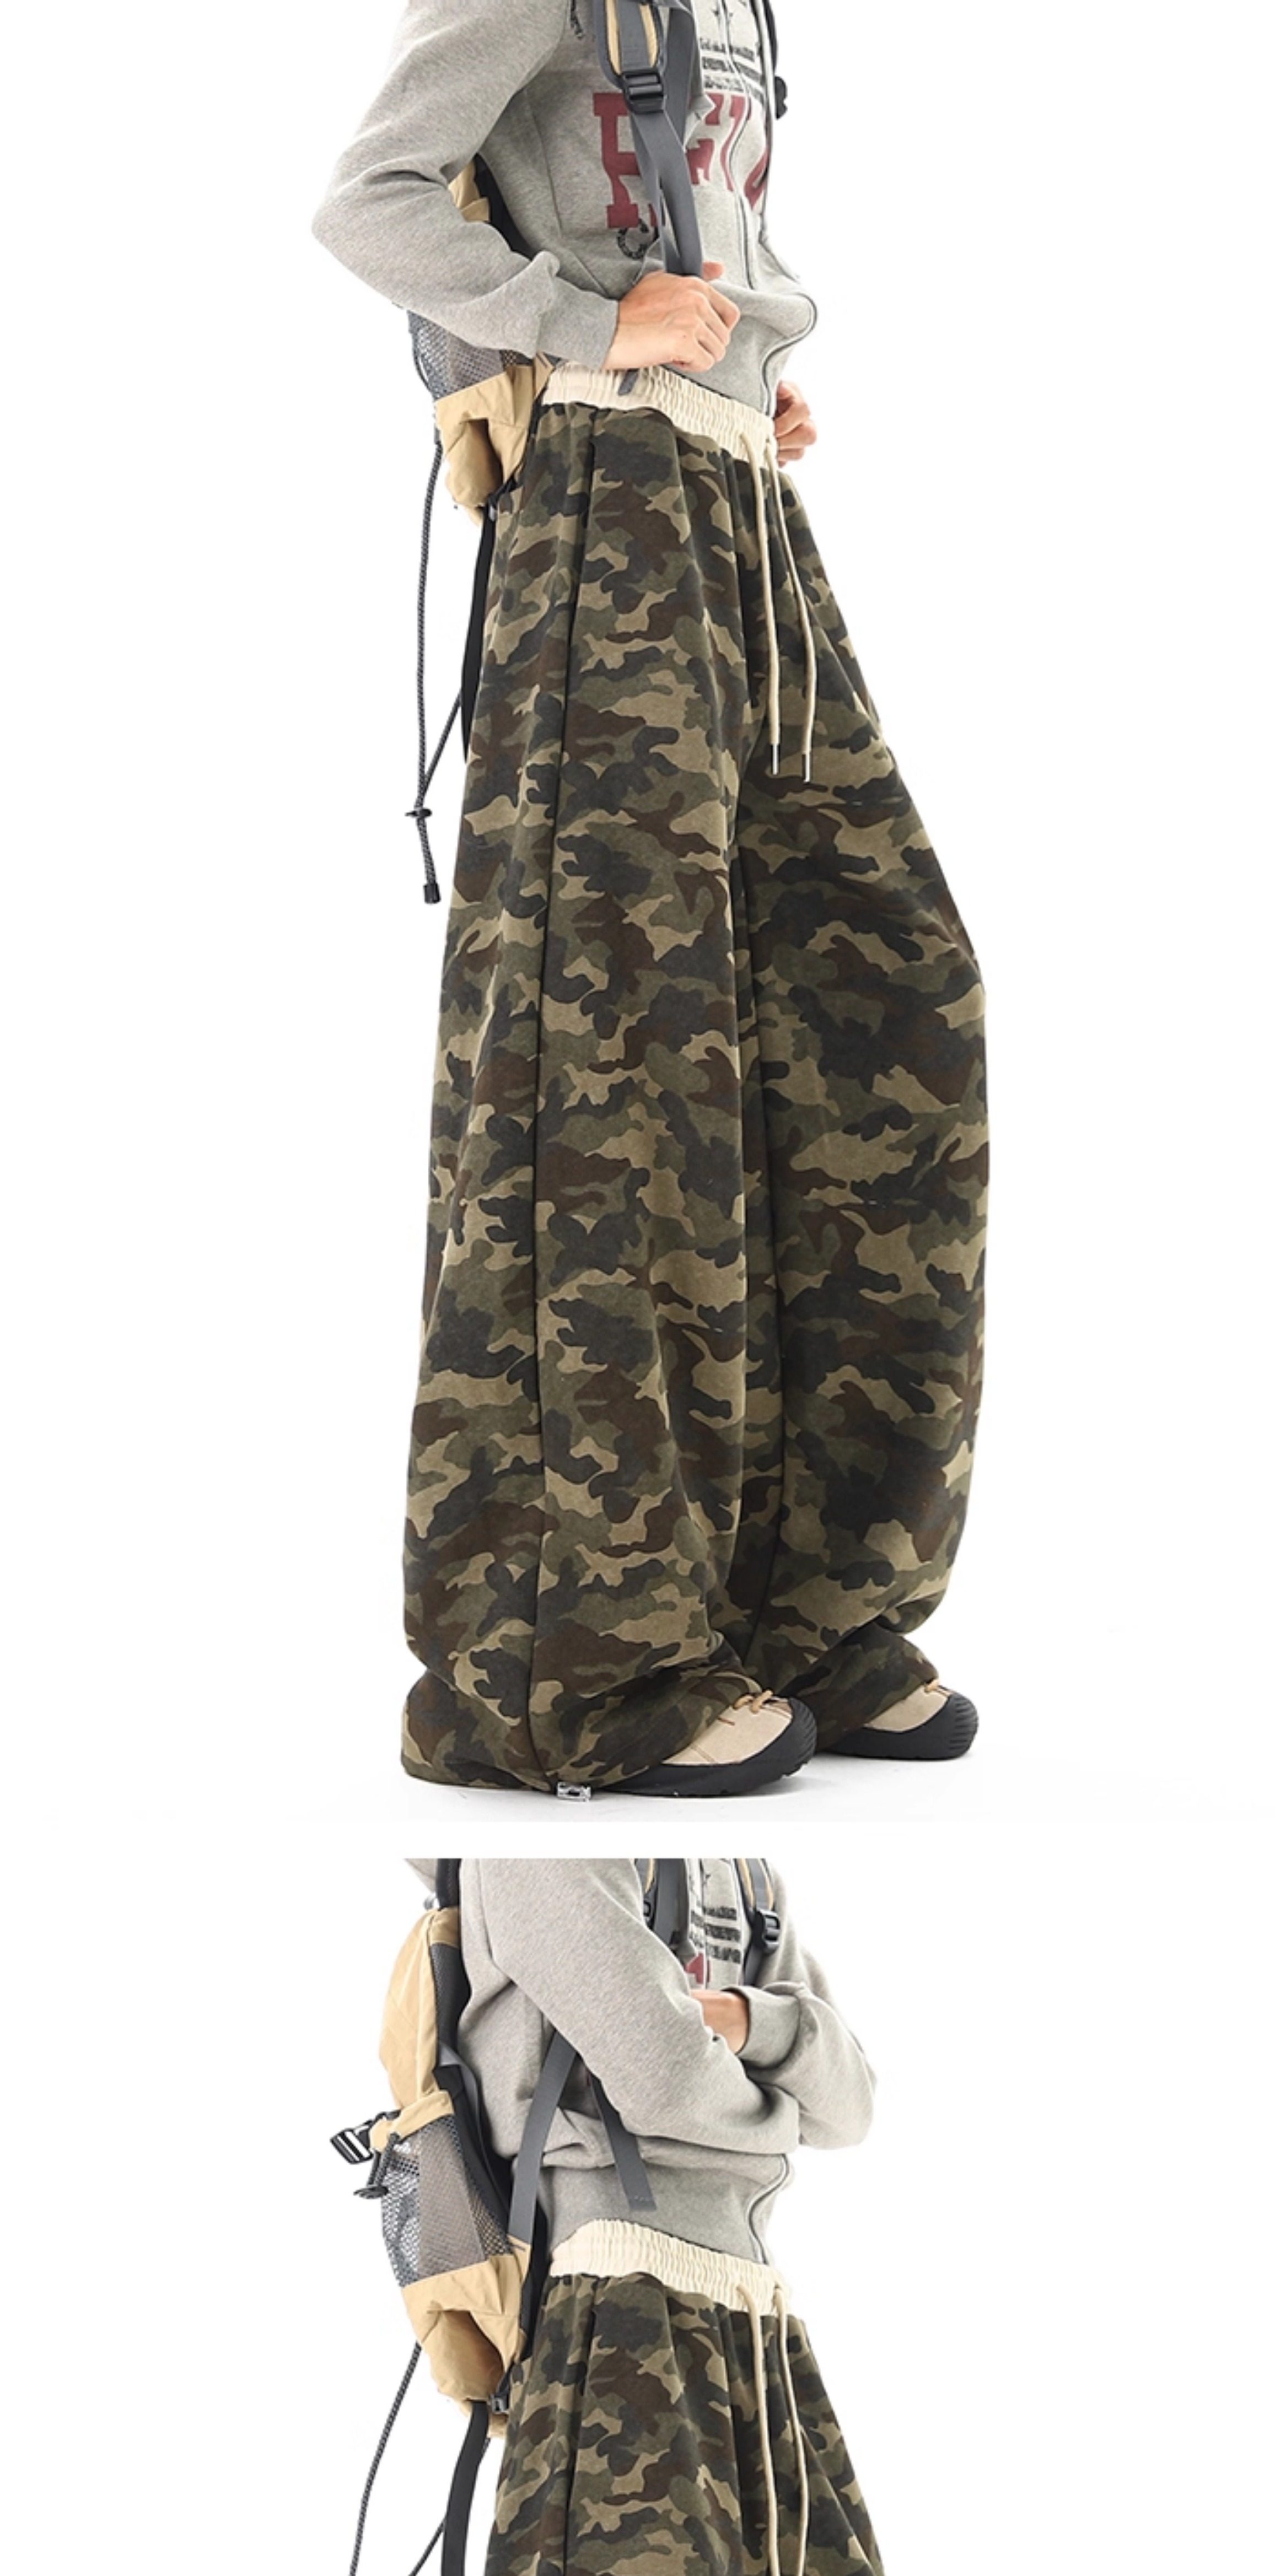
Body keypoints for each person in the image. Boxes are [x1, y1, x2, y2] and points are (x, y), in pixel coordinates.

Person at [313, 0, 988, 1798]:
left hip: (731, 491)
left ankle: (800, 1600)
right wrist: (584, 323)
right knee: (613, 1057)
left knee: (881, 1002)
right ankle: (575, 1665)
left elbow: (693, 217)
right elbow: (371, 199)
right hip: (606, 493)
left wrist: (743, 361)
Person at [412, 1855, 944, 2576]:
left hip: (754, 2314)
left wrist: (745, 2021)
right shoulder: (542, 1849)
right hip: (616, 2310)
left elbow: (849, 2107)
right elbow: (663, 2078)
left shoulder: (742, 1866)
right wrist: (779, 2112)